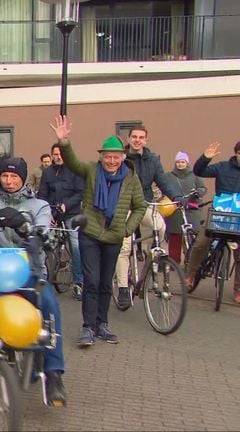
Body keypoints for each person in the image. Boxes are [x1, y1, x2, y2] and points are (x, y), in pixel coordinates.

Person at [0, 140, 68, 407]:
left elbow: (43, 230)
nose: (8, 181)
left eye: (14, 176)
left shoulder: (38, 204)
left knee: (50, 306)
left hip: (28, 273)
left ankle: (54, 374)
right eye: (4, 175)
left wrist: (28, 228)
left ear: (22, 178)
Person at [50, 116, 146, 347]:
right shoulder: (92, 171)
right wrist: (64, 141)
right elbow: (73, 162)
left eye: (115, 157)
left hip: (114, 236)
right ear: (101, 157)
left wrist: (127, 228)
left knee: (105, 283)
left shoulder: (131, 179)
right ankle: (87, 328)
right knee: (91, 282)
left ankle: (102, 325)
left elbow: (140, 206)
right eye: (107, 157)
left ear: (123, 158)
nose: (111, 161)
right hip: (91, 234)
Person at [114, 125, 182, 308]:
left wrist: (176, 197)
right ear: (129, 139)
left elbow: (163, 180)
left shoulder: (152, 160)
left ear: (146, 140)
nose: (137, 140)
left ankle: (152, 260)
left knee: (160, 227)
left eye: (141, 137)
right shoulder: (121, 158)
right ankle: (122, 288)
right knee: (125, 246)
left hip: (143, 204)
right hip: (124, 206)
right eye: (134, 136)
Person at [186, 141, 240, 303]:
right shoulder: (223, 167)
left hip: (238, 220)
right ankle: (190, 274)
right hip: (219, 216)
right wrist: (205, 158)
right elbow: (199, 171)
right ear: (236, 153)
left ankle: (238, 288)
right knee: (201, 242)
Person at [38, 143, 87, 300]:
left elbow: (80, 193)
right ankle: (43, 278)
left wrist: (67, 205)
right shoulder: (47, 173)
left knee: (75, 245)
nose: (58, 157)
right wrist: (47, 211)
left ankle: (78, 282)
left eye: (60, 154)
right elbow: (42, 194)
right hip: (52, 213)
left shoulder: (75, 171)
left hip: (71, 213)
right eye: (55, 154)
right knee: (44, 242)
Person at [164, 152, 206, 263]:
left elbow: (202, 188)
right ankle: (174, 261)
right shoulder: (168, 176)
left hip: (192, 209)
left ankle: (192, 261)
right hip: (175, 209)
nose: (180, 164)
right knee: (175, 236)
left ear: (187, 163)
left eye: (182, 162)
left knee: (193, 236)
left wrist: (198, 193)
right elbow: (163, 187)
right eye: (178, 162)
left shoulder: (195, 175)